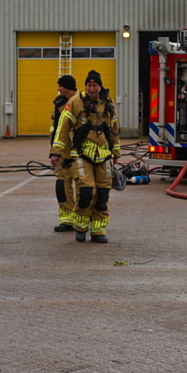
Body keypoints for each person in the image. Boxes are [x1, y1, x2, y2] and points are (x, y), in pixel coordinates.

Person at [49, 70, 120, 243]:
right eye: (89, 85)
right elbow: (63, 126)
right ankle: (80, 226)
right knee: (86, 190)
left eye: (95, 85)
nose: (92, 88)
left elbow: (114, 128)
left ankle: (98, 230)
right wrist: (56, 151)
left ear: (100, 86)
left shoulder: (108, 102)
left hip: (103, 154)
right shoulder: (75, 102)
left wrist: (116, 152)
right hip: (81, 153)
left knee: (103, 193)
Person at [50, 74, 78, 232]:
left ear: (67, 87)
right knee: (62, 184)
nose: (58, 88)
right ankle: (67, 219)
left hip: (79, 151)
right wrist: (54, 151)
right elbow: (56, 129)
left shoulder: (80, 102)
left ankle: (82, 217)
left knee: (83, 186)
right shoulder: (59, 102)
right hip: (62, 151)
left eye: (60, 86)